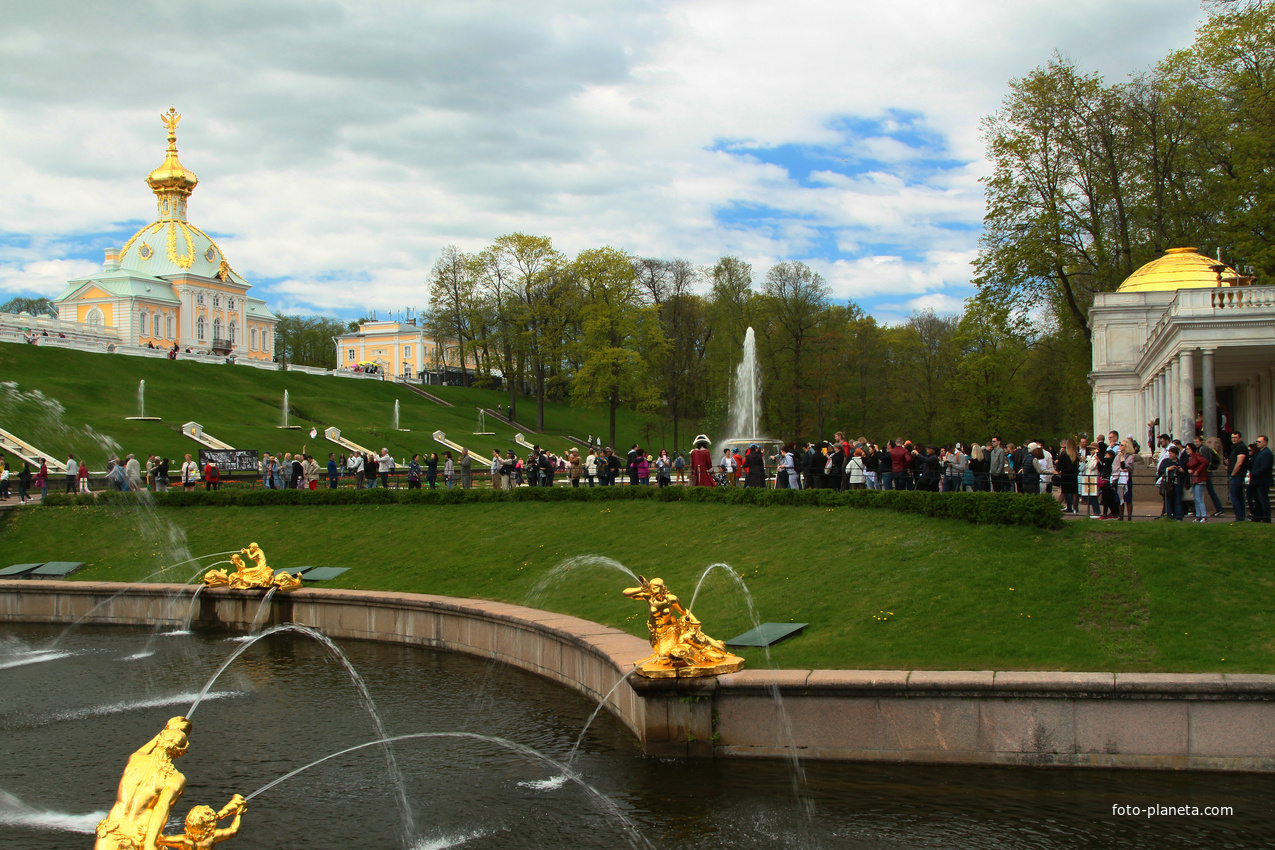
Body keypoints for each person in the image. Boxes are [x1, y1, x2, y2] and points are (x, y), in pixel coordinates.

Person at [156, 799, 246, 849]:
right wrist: (238, 815)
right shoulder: (212, 838)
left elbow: (159, 838)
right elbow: (233, 831)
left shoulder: (184, 841)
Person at [1250, 435, 1273, 523]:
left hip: (1262, 480)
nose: (1258, 443)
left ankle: (1266, 517)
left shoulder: (1267, 453)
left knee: (1263, 499)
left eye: (1259, 442)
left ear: (1265, 442)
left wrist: (1253, 473)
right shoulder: (1259, 452)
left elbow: (1264, 467)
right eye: (1257, 442)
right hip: (1257, 480)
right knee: (1257, 499)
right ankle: (1258, 516)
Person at [1185, 442, 1210, 522]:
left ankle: (1204, 516)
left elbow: (1205, 462)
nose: (1187, 450)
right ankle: (1198, 516)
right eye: (1186, 449)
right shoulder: (1191, 457)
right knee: (1196, 499)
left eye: (1188, 449)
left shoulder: (1196, 456)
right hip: (1194, 479)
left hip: (1199, 479)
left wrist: (1198, 471)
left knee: (1199, 498)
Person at [1228, 431, 1249, 522]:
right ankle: (1241, 517)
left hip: (1237, 475)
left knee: (1234, 496)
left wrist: (1233, 474)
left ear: (1240, 438)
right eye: (1232, 437)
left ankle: (1239, 517)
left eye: (1236, 437)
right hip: (1236, 475)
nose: (1234, 439)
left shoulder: (1241, 447)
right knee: (1239, 496)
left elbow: (1239, 462)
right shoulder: (1236, 447)